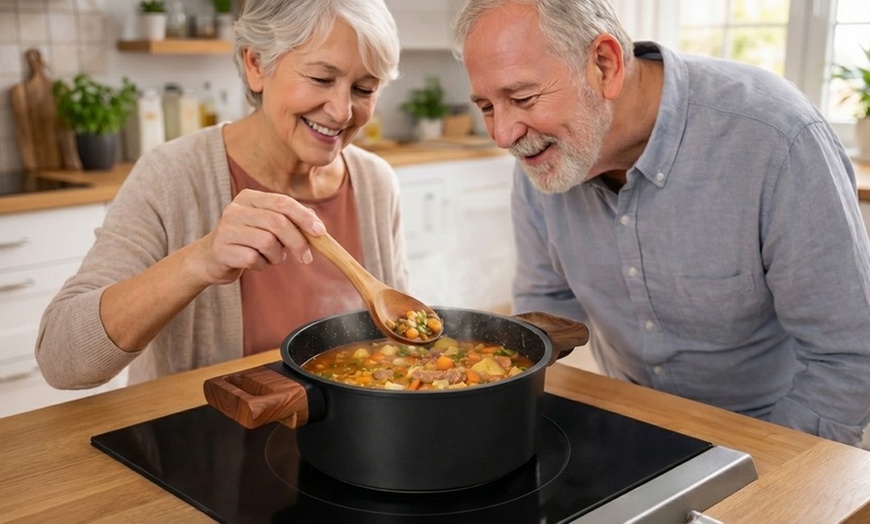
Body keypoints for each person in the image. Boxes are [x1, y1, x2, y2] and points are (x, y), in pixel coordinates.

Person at [453, 0, 870, 446]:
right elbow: (549, 313)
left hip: (773, 429)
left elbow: (847, 357)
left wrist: (765, 469)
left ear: (605, 64)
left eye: (522, 98)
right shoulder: (544, 156)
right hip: (635, 420)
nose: (503, 135)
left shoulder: (775, 137)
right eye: (487, 106)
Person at [36, 0, 406, 388]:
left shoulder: (375, 182)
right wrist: (200, 260)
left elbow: (397, 338)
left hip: (344, 437)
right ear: (256, 65)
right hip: (210, 439)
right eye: (320, 79)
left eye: (364, 88)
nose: (342, 111)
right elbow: (61, 360)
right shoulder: (172, 176)